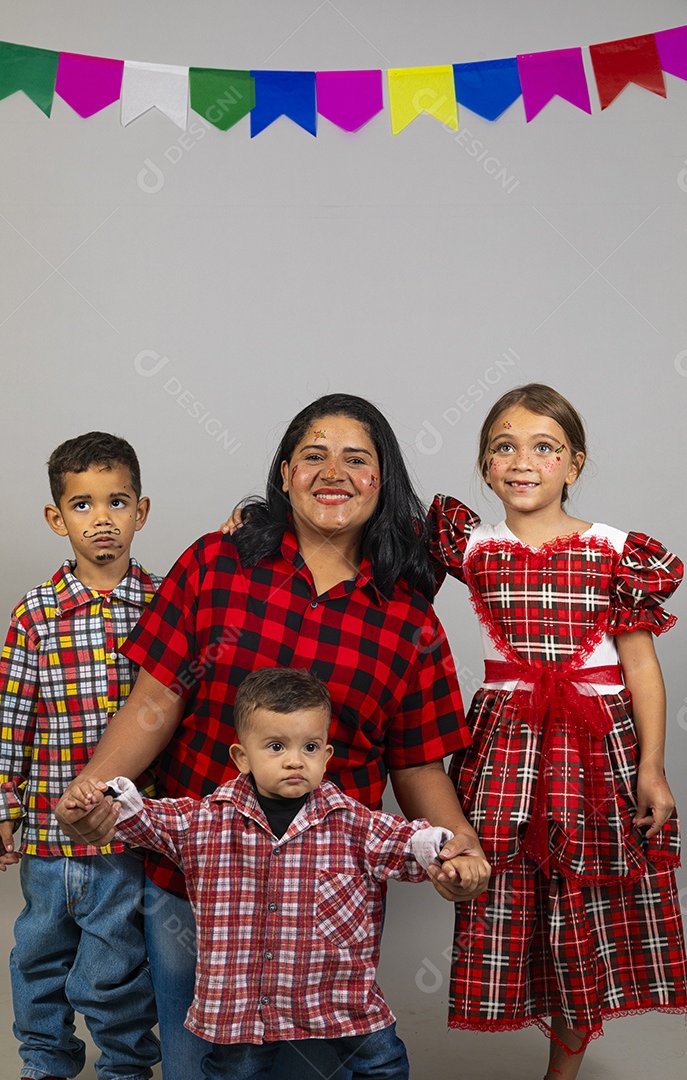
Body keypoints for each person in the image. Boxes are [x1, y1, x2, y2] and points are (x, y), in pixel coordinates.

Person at [56, 393, 491, 1080]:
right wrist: (94, 788)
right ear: (286, 473)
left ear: (383, 481)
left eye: (356, 459)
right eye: (314, 455)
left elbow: (417, 766)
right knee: (199, 1070)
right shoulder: (215, 565)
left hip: (328, 908)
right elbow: (154, 702)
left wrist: (457, 844)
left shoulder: (409, 620)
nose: (333, 471)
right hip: (196, 889)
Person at [426, 384, 687, 1080]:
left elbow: (641, 667)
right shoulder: (471, 545)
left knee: (582, 906)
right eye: (504, 447)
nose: (523, 461)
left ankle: (561, 1074)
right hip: (506, 746)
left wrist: (652, 768)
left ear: (574, 463)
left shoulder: (615, 551)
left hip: (595, 747)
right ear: (485, 467)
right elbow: (362, 536)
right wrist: (257, 520)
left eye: (545, 448)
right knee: (511, 892)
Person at [69, 667, 458, 1079]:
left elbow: (404, 842)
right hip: (242, 1003)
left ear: (327, 756)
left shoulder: (352, 823)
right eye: (276, 746)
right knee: (234, 1072)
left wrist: (446, 851)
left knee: (382, 1062)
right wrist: (100, 795)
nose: (295, 760)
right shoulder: (207, 821)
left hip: (337, 993)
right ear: (242, 757)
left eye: (310, 747)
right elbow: (144, 817)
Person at [0, 432, 161, 1080]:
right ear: (57, 518)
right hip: (47, 838)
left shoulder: (164, 605)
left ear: (141, 511)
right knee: (38, 956)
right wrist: (1, 806)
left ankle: (126, 1066)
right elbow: (10, 718)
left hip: (126, 835)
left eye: (117, 501)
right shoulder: (36, 613)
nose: (102, 518)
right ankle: (45, 1060)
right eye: (83, 505)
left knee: (117, 966)